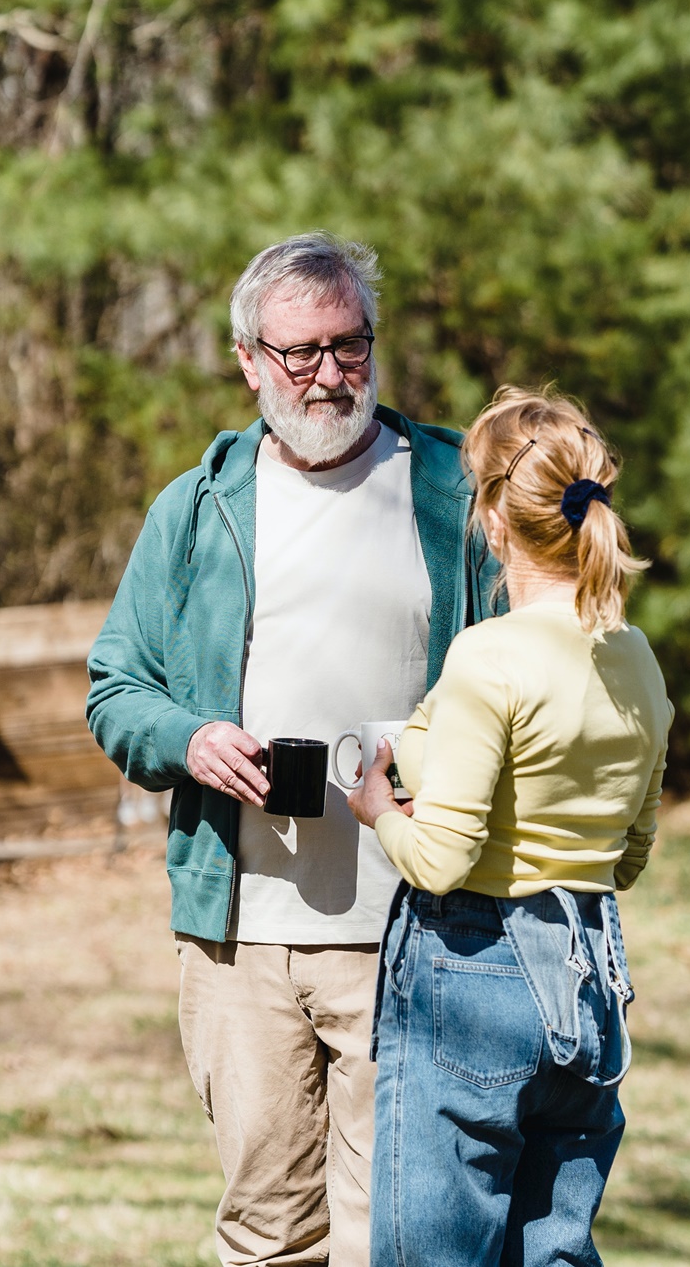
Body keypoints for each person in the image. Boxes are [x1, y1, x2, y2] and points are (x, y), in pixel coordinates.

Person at [86, 232, 500, 1266]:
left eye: (349, 344)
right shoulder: (196, 508)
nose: (328, 374)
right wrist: (190, 739)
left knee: (393, 1237)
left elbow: (533, 665)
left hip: (416, 923)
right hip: (240, 934)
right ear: (247, 360)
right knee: (267, 1232)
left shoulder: (455, 491)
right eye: (299, 352)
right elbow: (114, 689)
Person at [347, 385, 673, 1267]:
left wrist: (379, 808)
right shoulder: (635, 656)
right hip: (592, 974)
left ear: (493, 517)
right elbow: (630, 853)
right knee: (553, 1251)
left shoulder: (489, 654)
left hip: (474, 972)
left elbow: (443, 859)